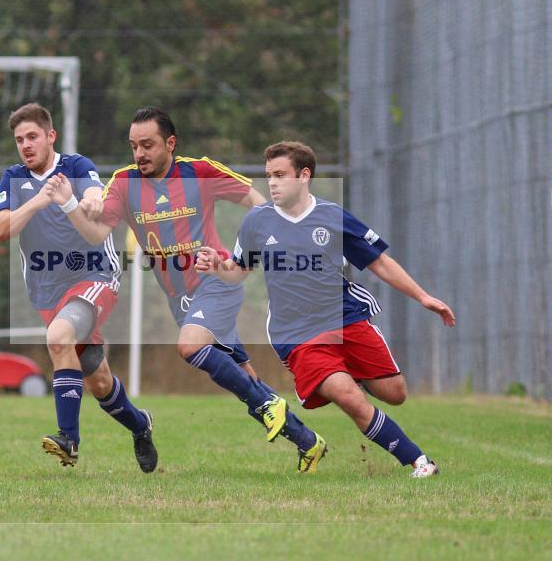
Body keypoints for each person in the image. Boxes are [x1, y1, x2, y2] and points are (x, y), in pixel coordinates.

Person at [44, 106, 328, 473]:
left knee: (190, 346)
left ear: (170, 143)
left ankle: (267, 405)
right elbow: (97, 233)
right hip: (179, 298)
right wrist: (70, 202)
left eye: (147, 144)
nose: (139, 153)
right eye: (134, 146)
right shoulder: (125, 183)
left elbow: (257, 204)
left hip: (216, 283)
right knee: (244, 376)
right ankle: (307, 441)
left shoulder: (200, 172)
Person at [195, 141, 455, 478]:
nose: (271, 183)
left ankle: (347, 372)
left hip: (345, 317)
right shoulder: (257, 222)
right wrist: (218, 266)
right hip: (296, 334)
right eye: (268, 176)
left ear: (304, 176)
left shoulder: (332, 217)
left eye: (280, 175)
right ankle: (420, 462)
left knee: (395, 394)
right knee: (349, 397)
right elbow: (238, 272)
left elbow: (379, 262)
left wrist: (423, 297)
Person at [0, 103, 157, 472]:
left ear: (51, 136)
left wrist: (87, 198)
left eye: (32, 136)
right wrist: (38, 198)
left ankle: (69, 439)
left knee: (58, 336)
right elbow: (2, 229)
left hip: (95, 276)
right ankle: (140, 425)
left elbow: (95, 193)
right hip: (48, 291)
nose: (26, 145)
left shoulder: (76, 166)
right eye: (19, 139)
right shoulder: (13, 178)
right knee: (98, 381)